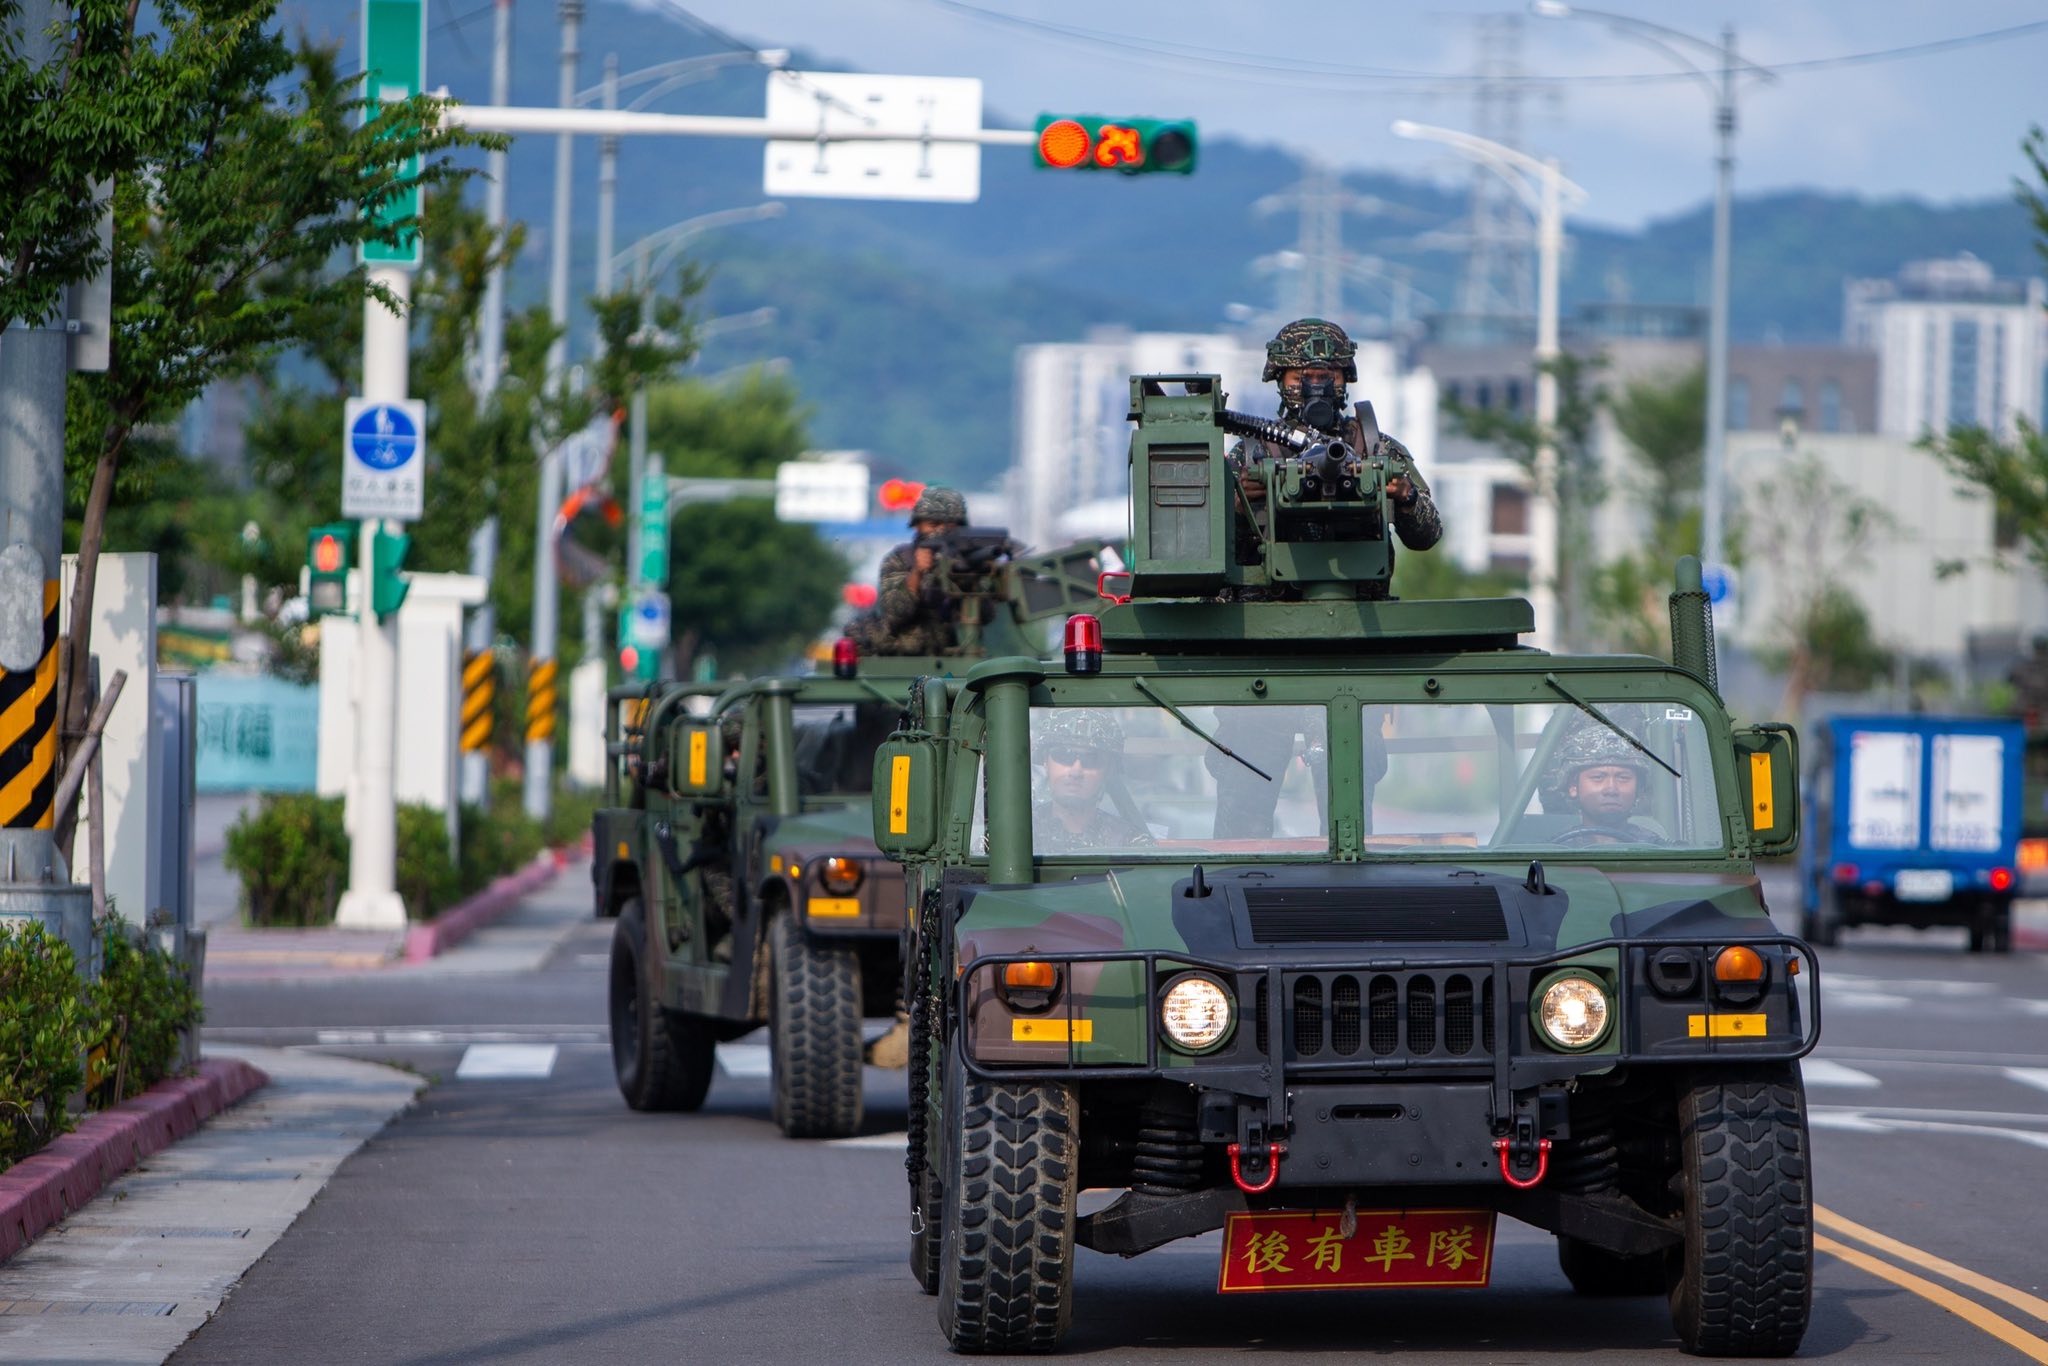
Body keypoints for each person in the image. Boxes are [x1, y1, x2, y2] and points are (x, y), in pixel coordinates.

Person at [1223, 317, 1443, 601]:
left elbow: (1427, 536)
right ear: (1280, 379)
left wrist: (1406, 497)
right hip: (1267, 615)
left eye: (1327, 377)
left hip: (1361, 610)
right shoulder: (1253, 454)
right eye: (1302, 377)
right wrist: (1239, 510)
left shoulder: (1376, 448)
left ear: (1344, 378)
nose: (1316, 387)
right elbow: (1212, 549)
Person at [866, 486, 971, 655]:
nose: (941, 532)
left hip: (955, 657)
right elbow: (894, 613)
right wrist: (917, 572)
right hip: (906, 659)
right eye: (933, 524)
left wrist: (970, 576)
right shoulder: (900, 560)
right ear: (917, 526)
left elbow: (987, 614)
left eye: (950, 526)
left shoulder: (966, 562)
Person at [1033, 710, 1154, 854]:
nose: (1075, 771)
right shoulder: (1018, 832)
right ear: (1046, 761)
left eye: (1091, 759)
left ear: (1109, 770)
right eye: (1063, 755)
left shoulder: (1129, 843)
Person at [1547, 727, 1662, 846]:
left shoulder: (1659, 851)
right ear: (1573, 787)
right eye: (1598, 777)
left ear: (1638, 789)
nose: (1611, 789)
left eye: (1623, 777)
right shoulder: (1554, 852)